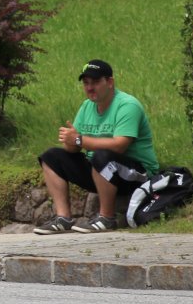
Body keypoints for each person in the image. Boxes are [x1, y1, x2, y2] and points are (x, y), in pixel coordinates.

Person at [34, 59, 159, 234]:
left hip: (136, 175)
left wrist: (79, 140)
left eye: (95, 82)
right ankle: (63, 218)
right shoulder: (87, 107)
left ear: (110, 82)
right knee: (51, 156)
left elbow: (119, 145)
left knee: (102, 156)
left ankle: (107, 218)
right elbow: (74, 148)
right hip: (101, 171)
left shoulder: (127, 105)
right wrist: (70, 141)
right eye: (86, 83)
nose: (90, 88)